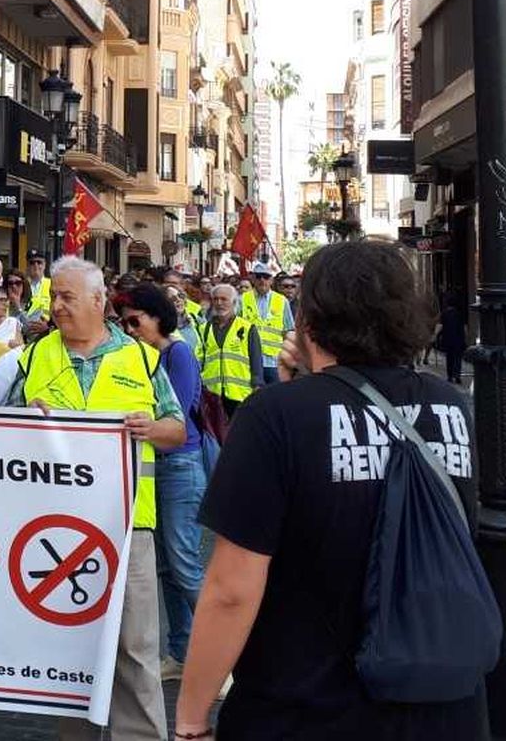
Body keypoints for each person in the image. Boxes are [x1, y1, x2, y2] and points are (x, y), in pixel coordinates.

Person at [174, 240, 484, 741]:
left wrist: (191, 717)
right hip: (439, 704)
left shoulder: (274, 414)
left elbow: (232, 589)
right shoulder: (452, 405)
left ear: (311, 317)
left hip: (302, 705)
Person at [0, 257, 185, 741]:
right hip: (56, 528)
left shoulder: (141, 358)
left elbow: (178, 430)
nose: (55, 306)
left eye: (67, 297)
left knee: (135, 648)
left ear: (99, 301)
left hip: (127, 527)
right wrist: (24, 422)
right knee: (70, 649)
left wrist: (152, 428)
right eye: (53, 296)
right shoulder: (34, 358)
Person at [116, 283, 216, 686]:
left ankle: (224, 655)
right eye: (124, 323)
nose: (130, 329)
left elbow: (177, 413)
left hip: (180, 466)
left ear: (157, 317)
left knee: (185, 566)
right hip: (157, 468)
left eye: (135, 321)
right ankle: (181, 651)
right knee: (168, 569)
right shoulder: (148, 354)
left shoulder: (178, 353)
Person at [197, 284, 264, 419]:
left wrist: (257, 386)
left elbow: (255, 358)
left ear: (233, 302)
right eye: (215, 299)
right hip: (212, 393)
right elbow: (200, 359)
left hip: (239, 394)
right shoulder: (204, 328)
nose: (219, 303)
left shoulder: (247, 328)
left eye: (224, 299)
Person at [240, 265, 295, 385]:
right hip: (249, 361)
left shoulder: (281, 301)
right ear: (253, 279)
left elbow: (288, 332)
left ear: (271, 280)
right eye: (258, 276)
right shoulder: (242, 299)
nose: (262, 280)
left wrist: (288, 360)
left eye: (266, 276)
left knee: (275, 399)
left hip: (274, 362)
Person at [438, 292, 468, 384]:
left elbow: (440, 326)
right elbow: (464, 327)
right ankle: (457, 375)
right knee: (458, 357)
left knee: (449, 357)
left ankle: (450, 375)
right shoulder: (459, 314)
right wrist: (465, 338)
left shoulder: (444, 314)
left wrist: (437, 336)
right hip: (458, 338)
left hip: (448, 338)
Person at [24, 251, 53, 320]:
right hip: (24, 326)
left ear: (44, 265)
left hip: (47, 328)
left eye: (39, 262)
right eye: (32, 263)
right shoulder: (21, 285)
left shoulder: (52, 284)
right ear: (27, 266)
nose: (36, 265)